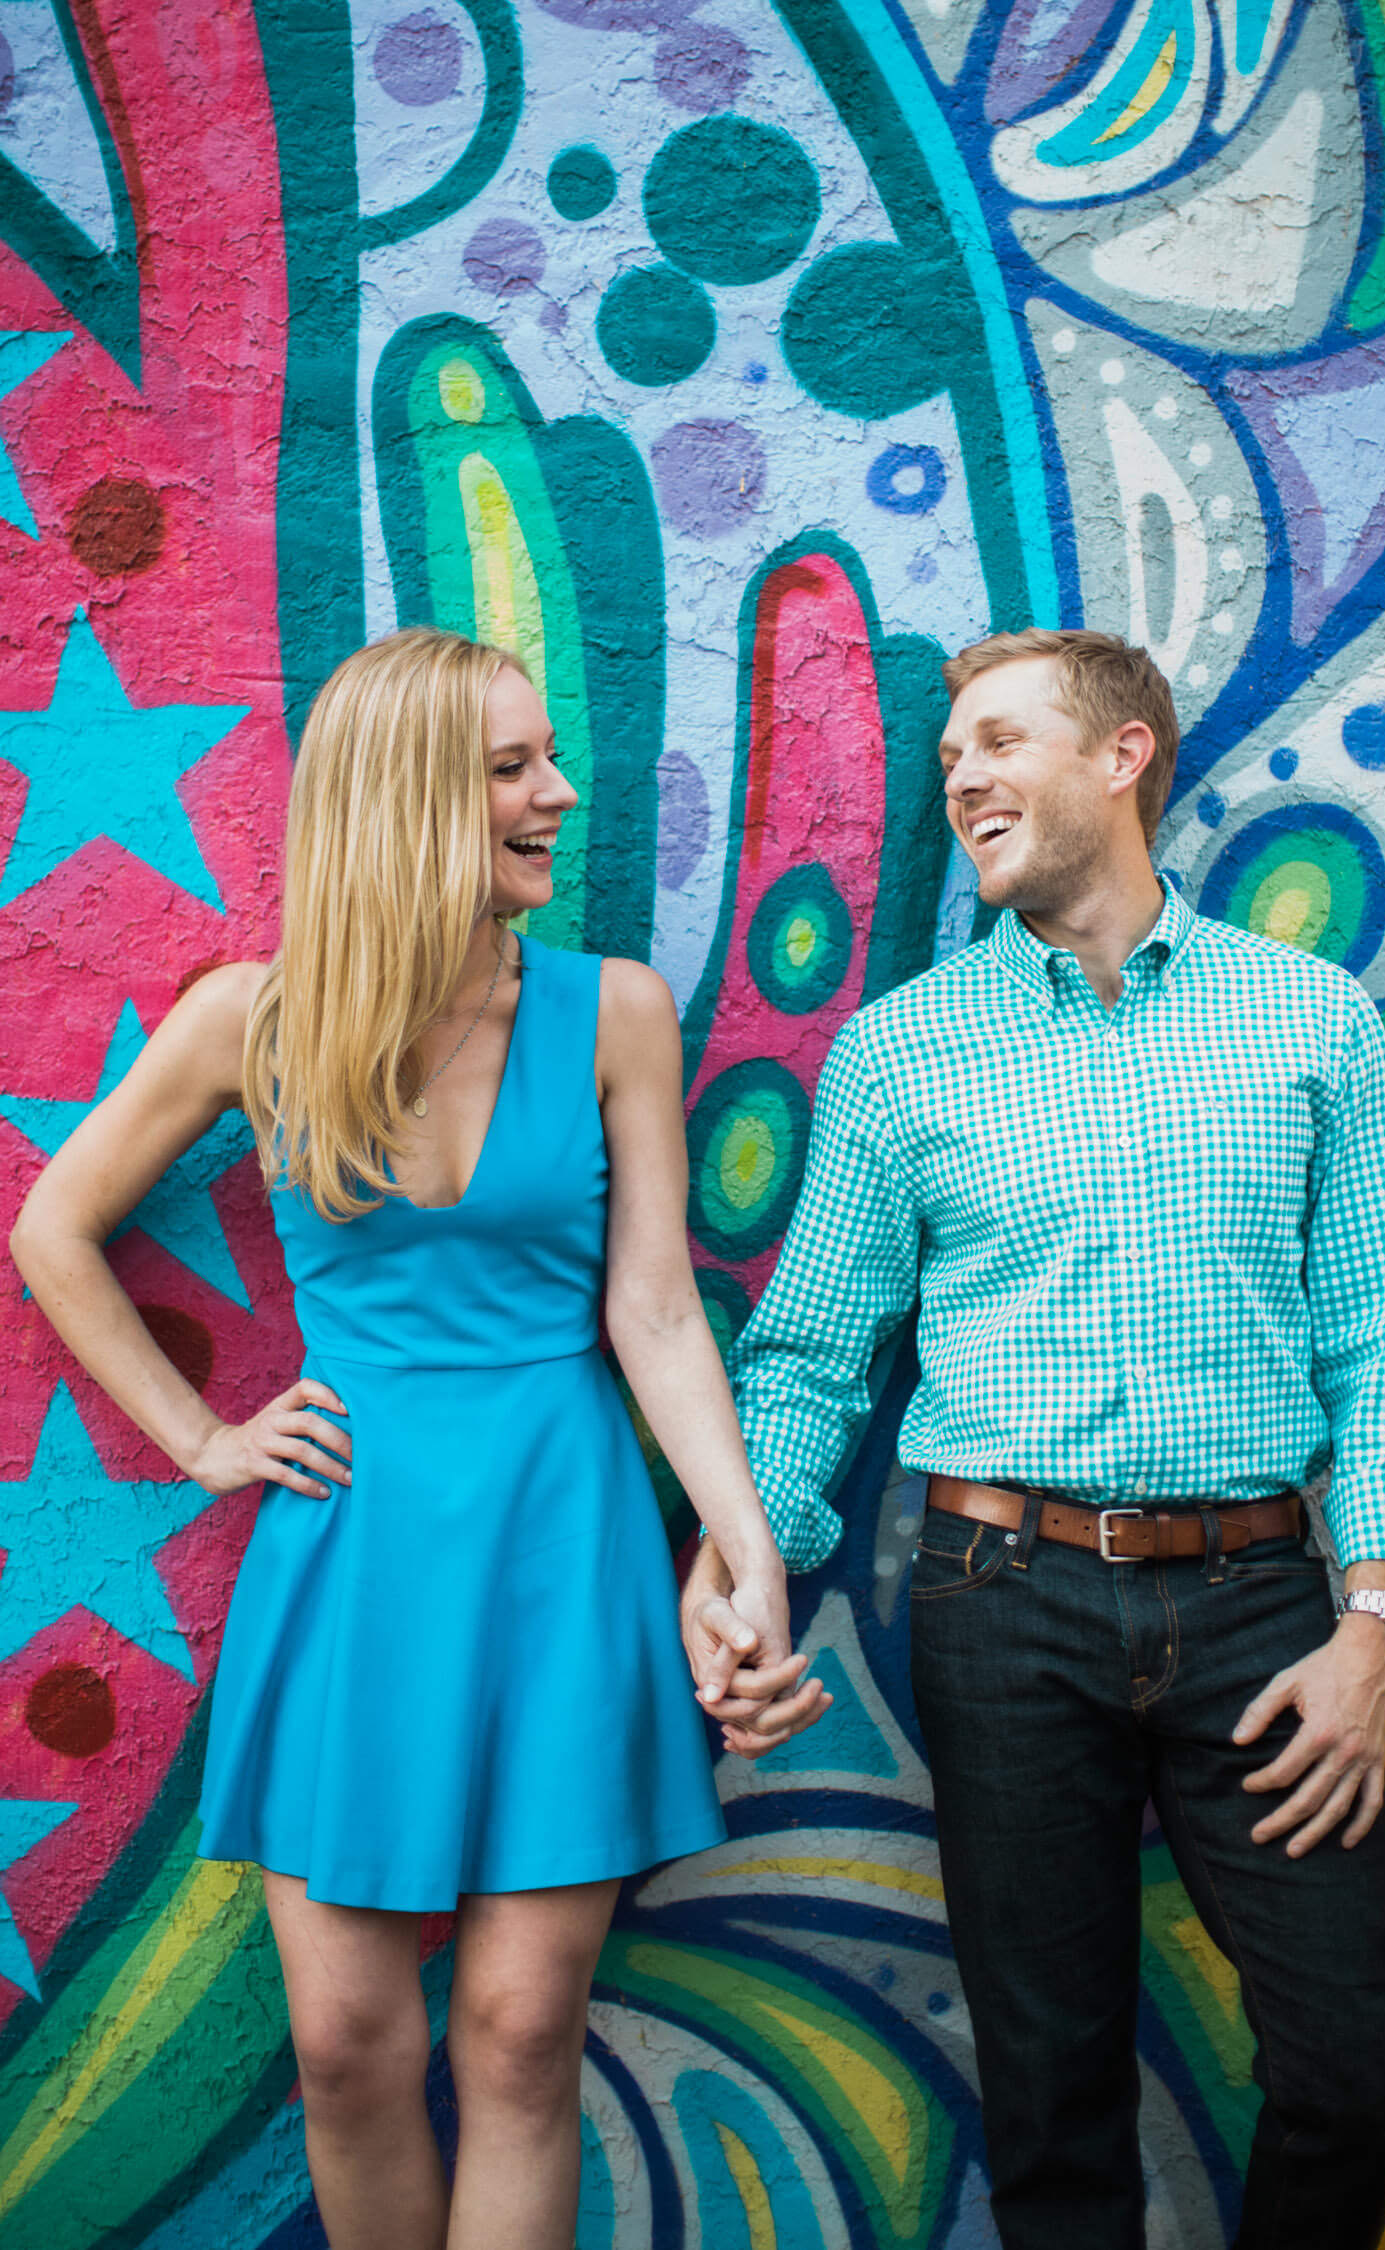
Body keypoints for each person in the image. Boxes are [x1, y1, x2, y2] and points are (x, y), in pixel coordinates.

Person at [10, 626, 827, 2250]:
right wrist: (200, 1435)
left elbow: (655, 1310)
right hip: (355, 1553)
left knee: (523, 2038)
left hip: (562, 1542)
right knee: (347, 2046)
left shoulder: (614, 1014)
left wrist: (746, 1543)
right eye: (514, 767)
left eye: (549, 759)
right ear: (408, 796)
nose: (561, 795)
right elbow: (56, 1227)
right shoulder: (255, 1020)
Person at [685, 627, 1385, 2250]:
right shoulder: (905, 1050)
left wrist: (1372, 1624)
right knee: (1050, 2098)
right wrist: (748, 1561)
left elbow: (1384, 1350)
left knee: (1364, 2053)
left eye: (998, 738)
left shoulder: (1307, 1023)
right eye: (952, 752)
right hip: (1001, 1599)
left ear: (1124, 758)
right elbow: (816, 1356)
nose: (960, 773)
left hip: (1265, 1609)